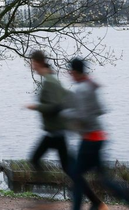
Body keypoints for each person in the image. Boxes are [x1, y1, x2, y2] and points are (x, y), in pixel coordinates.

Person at [61, 57, 129, 210]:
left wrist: (65, 113)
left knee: (76, 174)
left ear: (74, 71)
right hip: (99, 137)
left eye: (70, 71)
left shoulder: (82, 89)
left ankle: (81, 207)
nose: (69, 74)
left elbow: (83, 117)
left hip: (89, 140)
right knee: (104, 179)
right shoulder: (90, 85)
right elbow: (101, 110)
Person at [25, 50, 105, 210]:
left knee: (35, 158)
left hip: (56, 132)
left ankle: (45, 199)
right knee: (70, 170)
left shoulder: (50, 81)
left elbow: (56, 106)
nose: (32, 67)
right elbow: (66, 97)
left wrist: (36, 106)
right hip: (55, 132)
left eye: (33, 63)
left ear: (39, 63)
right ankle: (96, 202)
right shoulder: (51, 80)